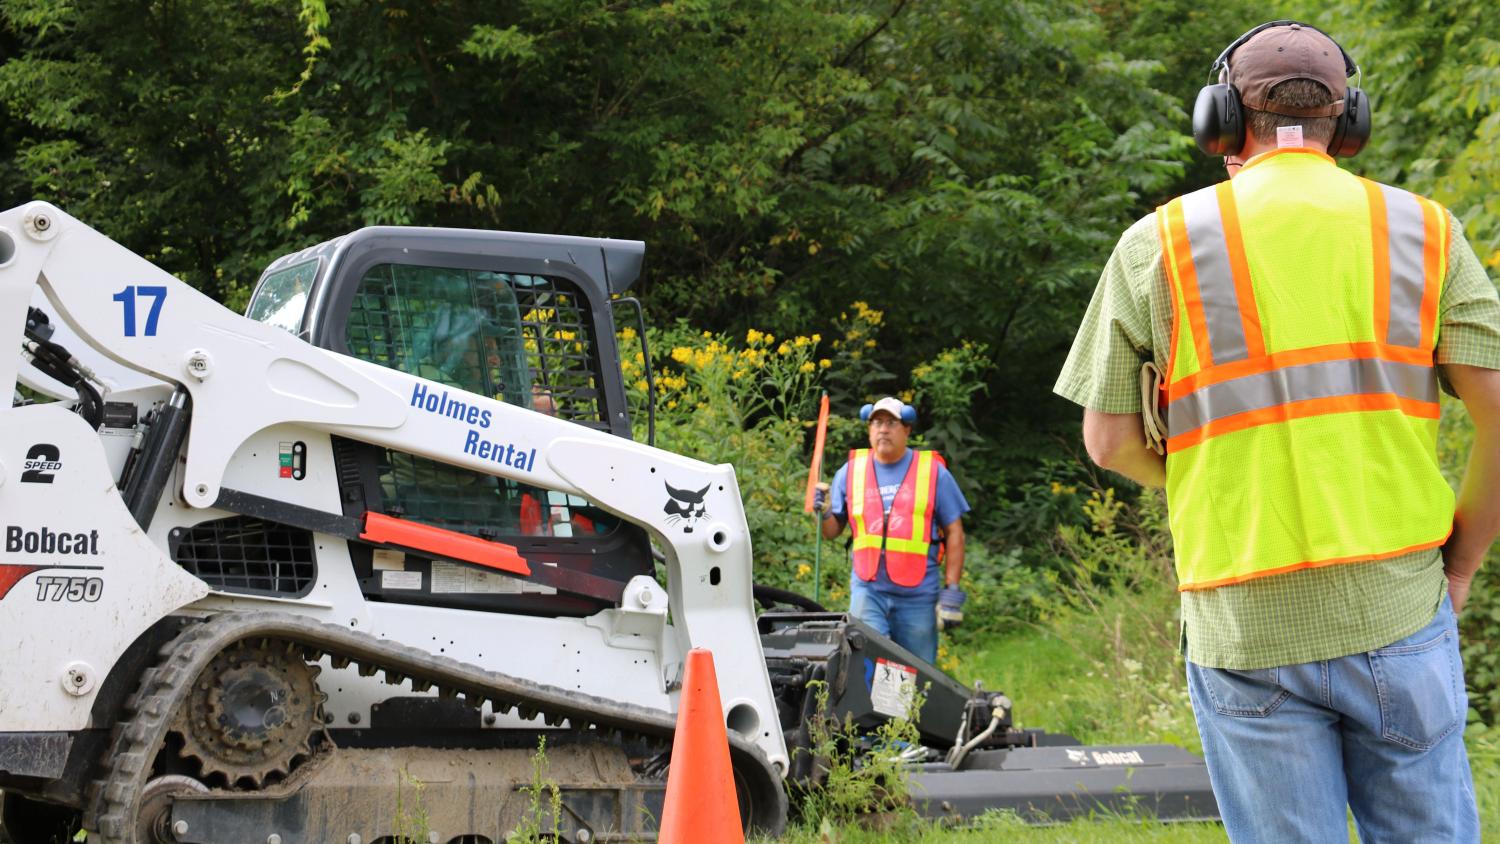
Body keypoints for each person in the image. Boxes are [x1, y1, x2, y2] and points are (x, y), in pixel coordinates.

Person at [1055, 21, 1500, 842]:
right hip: (1400, 603)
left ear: (1220, 120)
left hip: (1242, 619)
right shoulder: (1428, 231)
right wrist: (1462, 560)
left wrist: (1198, 471)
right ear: (1349, 120)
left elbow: (1109, 442)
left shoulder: (1158, 244)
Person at [815, 396, 970, 663]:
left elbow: (955, 531)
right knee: (862, 663)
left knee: (916, 673)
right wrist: (825, 511)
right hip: (868, 590)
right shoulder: (850, 472)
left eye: (890, 422)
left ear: (906, 429)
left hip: (918, 596)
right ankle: (867, 707)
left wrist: (952, 591)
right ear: (868, 428)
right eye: (876, 422)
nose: (882, 429)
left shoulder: (932, 472)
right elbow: (831, 532)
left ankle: (910, 706)